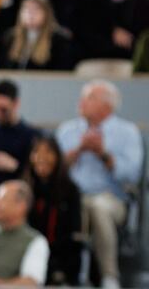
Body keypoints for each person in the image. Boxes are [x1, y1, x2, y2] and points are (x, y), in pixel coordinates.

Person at [55, 80, 144, 289]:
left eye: (89, 98)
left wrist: (103, 154)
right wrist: (79, 149)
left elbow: (132, 175)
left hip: (112, 199)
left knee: (98, 206)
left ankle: (109, 277)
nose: (81, 102)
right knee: (67, 207)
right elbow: (53, 170)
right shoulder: (67, 130)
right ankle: (62, 274)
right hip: (73, 196)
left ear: (107, 105)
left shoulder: (127, 132)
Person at [24, 137, 83, 286]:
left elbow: (74, 232)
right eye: (36, 151)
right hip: (29, 255)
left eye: (48, 152)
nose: (41, 157)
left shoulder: (70, 190)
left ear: (58, 157)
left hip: (60, 256)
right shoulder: (24, 188)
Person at [0, 0, 75, 70]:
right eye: (26, 9)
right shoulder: (11, 37)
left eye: (36, 9)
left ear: (46, 13)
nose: (30, 14)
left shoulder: (59, 39)